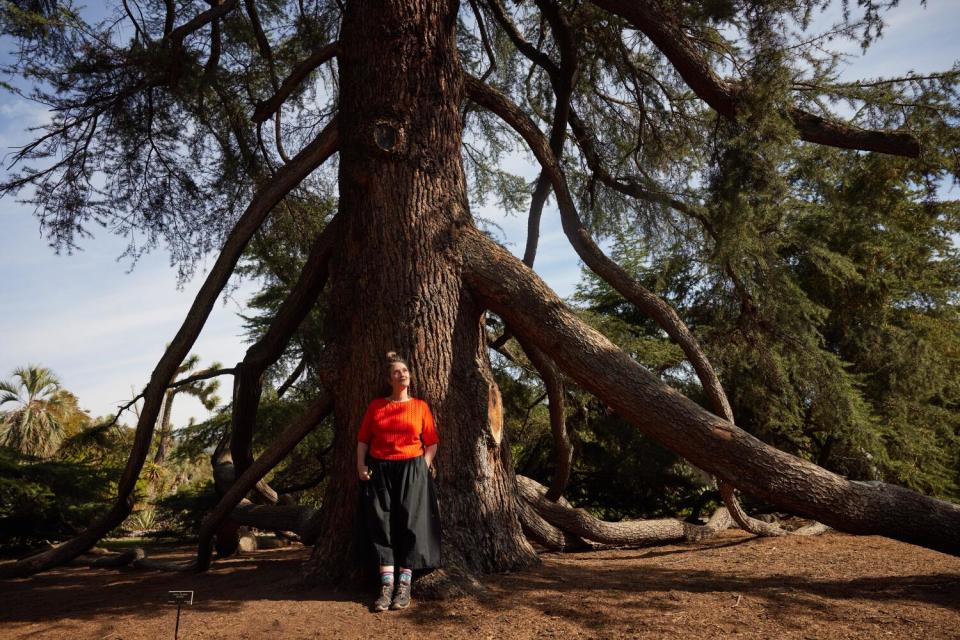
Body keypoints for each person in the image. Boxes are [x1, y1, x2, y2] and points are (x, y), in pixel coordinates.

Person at [357, 352, 441, 612]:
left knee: (410, 522)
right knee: (382, 523)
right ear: (389, 378)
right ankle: (386, 586)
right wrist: (360, 465)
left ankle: (404, 585)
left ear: (410, 376)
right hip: (380, 468)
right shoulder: (376, 407)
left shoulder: (420, 407)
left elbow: (432, 441)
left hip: (412, 467)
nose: (402, 374)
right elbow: (363, 439)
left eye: (405, 370)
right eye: (397, 372)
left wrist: (422, 466)